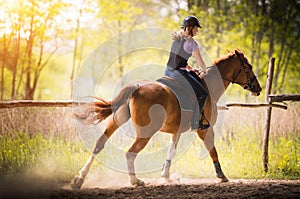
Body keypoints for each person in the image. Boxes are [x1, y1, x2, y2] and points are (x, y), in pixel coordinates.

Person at [165, 15, 209, 130]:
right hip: (179, 74)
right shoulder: (192, 43)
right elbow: (201, 62)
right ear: (189, 28)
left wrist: (190, 68)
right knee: (203, 94)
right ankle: (196, 122)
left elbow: (178, 60)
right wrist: (204, 70)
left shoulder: (176, 39)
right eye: (196, 28)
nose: (197, 31)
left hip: (168, 72)